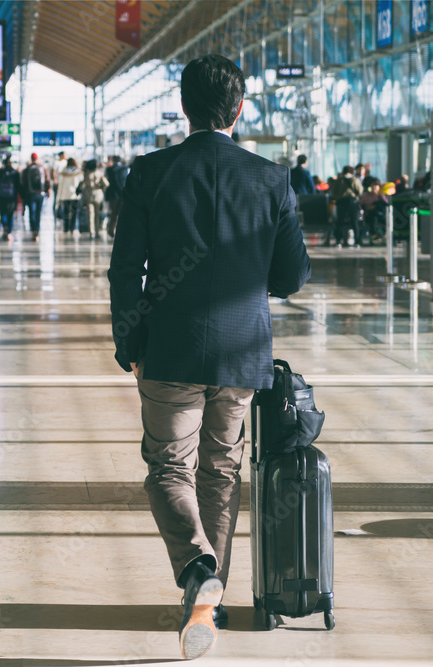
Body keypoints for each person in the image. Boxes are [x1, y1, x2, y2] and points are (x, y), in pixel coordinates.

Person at [107, 54, 310, 659]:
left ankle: (198, 570)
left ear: (183, 107)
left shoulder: (149, 172)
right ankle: (209, 603)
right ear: (240, 110)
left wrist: (131, 344)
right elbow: (293, 274)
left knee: (170, 468)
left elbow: (125, 271)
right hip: (243, 350)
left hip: (167, 347)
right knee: (221, 469)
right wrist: (252, 281)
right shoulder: (271, 178)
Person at [331, 165, 363, 247]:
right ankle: (357, 241)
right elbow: (359, 191)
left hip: (341, 202)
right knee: (354, 221)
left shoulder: (339, 180)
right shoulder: (355, 179)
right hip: (352, 202)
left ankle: (338, 241)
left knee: (340, 221)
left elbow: (334, 192)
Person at [21, 153, 50, 241]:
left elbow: (23, 182)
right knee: (38, 213)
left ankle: (34, 231)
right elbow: (47, 180)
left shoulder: (27, 169)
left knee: (32, 213)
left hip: (30, 194)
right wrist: (48, 190)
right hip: (40, 194)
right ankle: (36, 231)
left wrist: (23, 195)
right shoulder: (42, 168)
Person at [0, 156, 21, 240]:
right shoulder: (15, 172)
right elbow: (18, 186)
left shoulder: (1, 172)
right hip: (12, 197)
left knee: (3, 213)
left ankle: (5, 227)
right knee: (10, 214)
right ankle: (9, 232)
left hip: (2, 196)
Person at [80, 159, 109, 239]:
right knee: (97, 214)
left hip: (89, 194)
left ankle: (91, 232)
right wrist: (101, 188)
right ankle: (97, 232)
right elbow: (106, 184)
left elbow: (83, 185)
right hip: (98, 194)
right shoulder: (100, 173)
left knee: (90, 214)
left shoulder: (87, 174)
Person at [104, 155, 129, 237]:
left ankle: (111, 229)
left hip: (113, 194)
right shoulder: (125, 169)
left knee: (113, 213)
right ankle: (121, 230)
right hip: (123, 194)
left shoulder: (109, 170)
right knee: (122, 213)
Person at [56, 157, 82, 235]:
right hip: (75, 195)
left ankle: (66, 227)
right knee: (74, 212)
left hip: (65, 195)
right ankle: (72, 227)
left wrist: (59, 196)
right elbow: (81, 183)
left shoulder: (63, 172)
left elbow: (60, 185)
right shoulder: (78, 172)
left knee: (66, 212)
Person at [359, 177, 389, 244]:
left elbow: (386, 204)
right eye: (373, 185)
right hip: (369, 215)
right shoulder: (366, 196)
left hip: (380, 215)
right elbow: (360, 205)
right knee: (374, 218)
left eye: (376, 186)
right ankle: (374, 235)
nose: (374, 187)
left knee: (380, 218)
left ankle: (382, 234)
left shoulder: (381, 196)